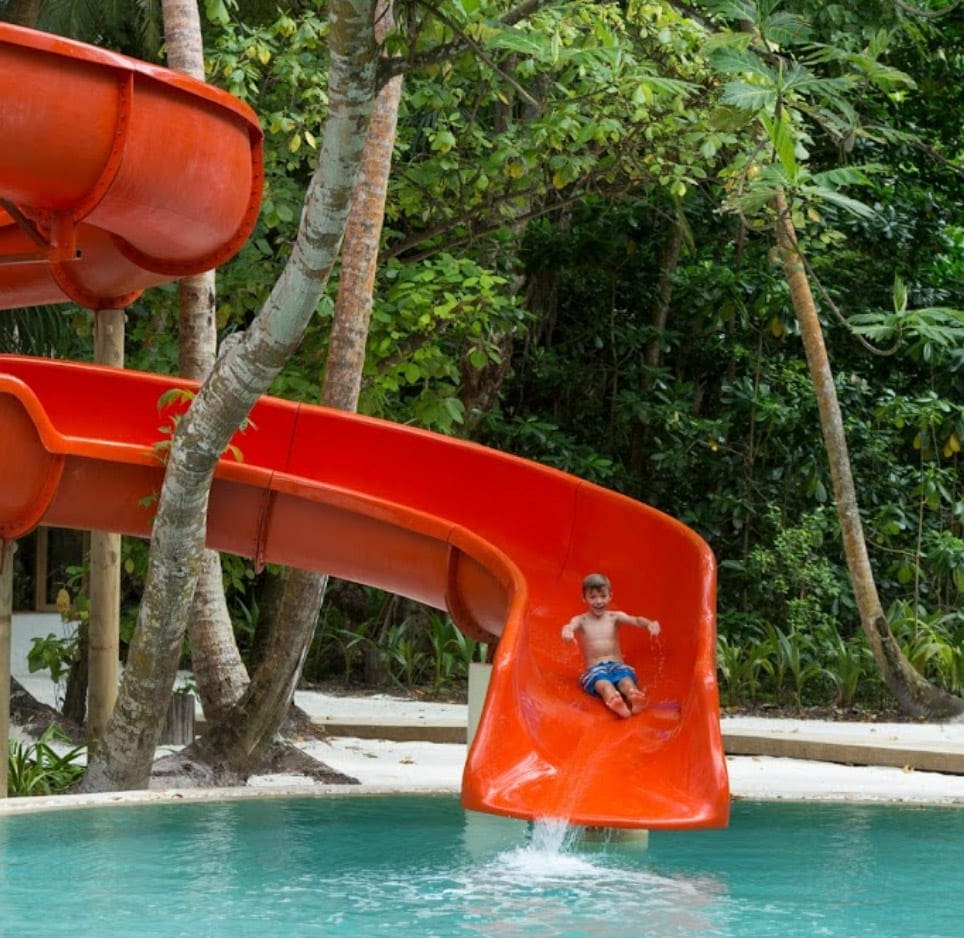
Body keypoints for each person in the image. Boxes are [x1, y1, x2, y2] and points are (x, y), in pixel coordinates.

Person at [561, 572, 661, 719]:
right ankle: (614, 700)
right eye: (593, 597)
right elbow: (569, 626)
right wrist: (567, 631)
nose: (599, 601)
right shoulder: (581, 620)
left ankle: (634, 697)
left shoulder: (615, 617)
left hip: (617, 664)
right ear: (584, 598)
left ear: (610, 596)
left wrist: (649, 624)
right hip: (595, 668)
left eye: (603, 596)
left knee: (626, 682)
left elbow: (636, 620)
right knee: (604, 685)